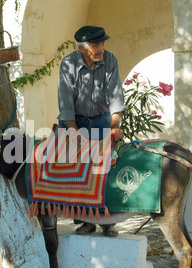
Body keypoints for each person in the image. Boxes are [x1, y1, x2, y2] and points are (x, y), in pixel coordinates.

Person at [57, 25, 126, 237]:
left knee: (105, 170)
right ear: (81, 47)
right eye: (96, 45)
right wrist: (75, 134)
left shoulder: (110, 59)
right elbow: (65, 103)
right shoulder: (68, 64)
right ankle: (85, 221)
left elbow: (116, 98)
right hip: (74, 122)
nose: (101, 48)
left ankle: (107, 222)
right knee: (76, 170)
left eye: (103, 43)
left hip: (101, 121)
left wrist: (114, 127)